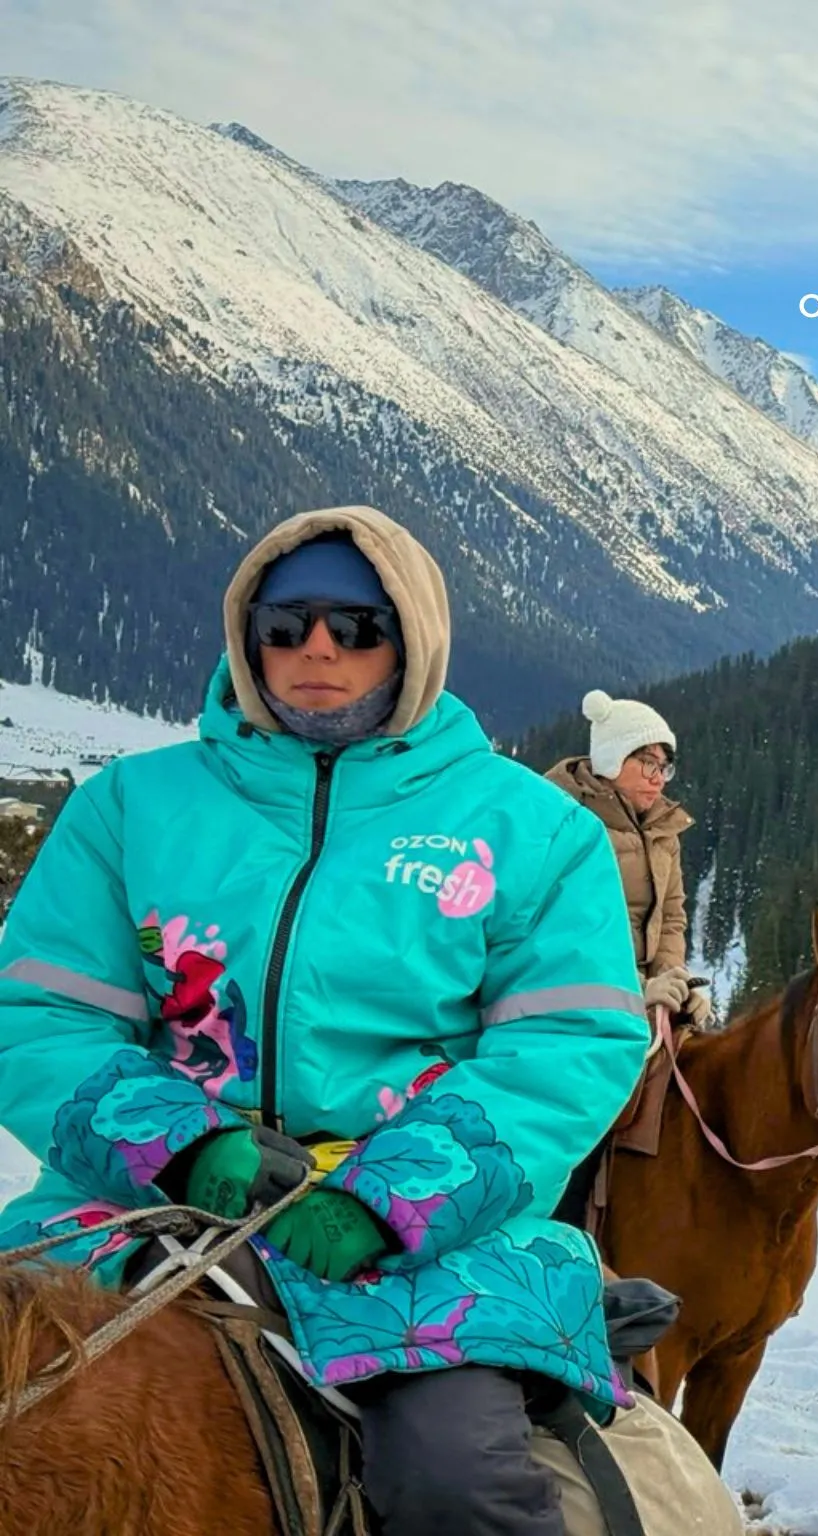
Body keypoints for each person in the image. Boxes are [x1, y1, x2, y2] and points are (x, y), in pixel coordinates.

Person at [0, 507, 649, 1536]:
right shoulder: (130, 805)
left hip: (428, 1236)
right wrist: (186, 1149)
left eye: (356, 626)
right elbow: (41, 1016)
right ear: (245, 634)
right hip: (134, 1208)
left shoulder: (534, 832)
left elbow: (566, 1048)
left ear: (413, 639)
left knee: (456, 1486)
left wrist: (386, 1204)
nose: (315, 649)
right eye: (284, 623)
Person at [544, 692, 707, 1031]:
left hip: (640, 995)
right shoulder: (565, 822)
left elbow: (671, 919)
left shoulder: (663, 829)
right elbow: (567, 930)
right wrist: (636, 988)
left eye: (664, 767)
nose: (659, 778)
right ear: (612, 761)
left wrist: (672, 983)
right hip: (570, 997)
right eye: (649, 763)